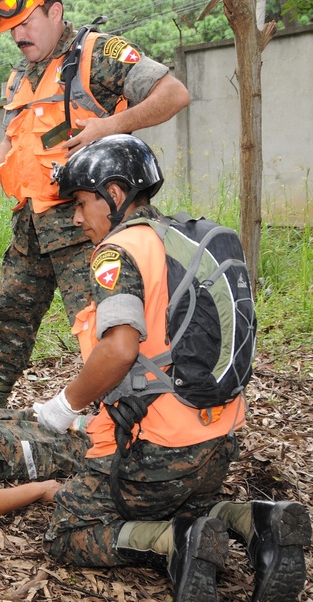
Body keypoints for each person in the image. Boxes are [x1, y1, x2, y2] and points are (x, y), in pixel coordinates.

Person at [35, 135, 310, 602]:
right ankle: (256, 520)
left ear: (115, 194)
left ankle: (173, 544)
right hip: (217, 442)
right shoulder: (183, 239)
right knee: (190, 505)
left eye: (82, 203)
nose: (77, 218)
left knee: (67, 529)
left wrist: (65, 405)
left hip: (158, 449)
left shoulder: (116, 252)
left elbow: (121, 349)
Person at [0, 0, 191, 409]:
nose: (19, 35)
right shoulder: (18, 76)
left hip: (84, 224)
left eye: (26, 22)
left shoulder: (99, 55)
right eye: (11, 29)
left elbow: (174, 94)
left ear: (55, 10)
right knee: (9, 319)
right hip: (30, 226)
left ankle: (123, 412)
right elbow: (14, 139)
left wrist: (111, 126)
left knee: (102, 325)